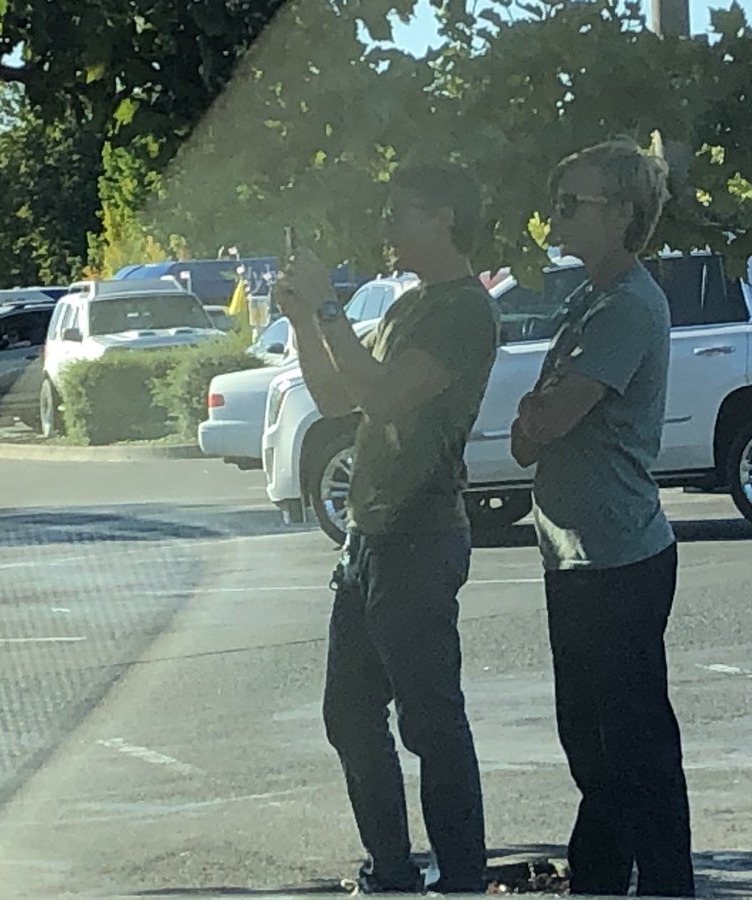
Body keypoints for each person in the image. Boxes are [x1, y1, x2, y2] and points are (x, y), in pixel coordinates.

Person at [274, 162, 499, 894]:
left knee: (430, 719)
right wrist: (306, 318)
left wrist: (330, 308)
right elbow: (339, 397)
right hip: (370, 536)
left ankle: (461, 876)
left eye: (401, 213)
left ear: (444, 218)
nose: (387, 227)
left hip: (421, 535)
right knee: (349, 714)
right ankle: (391, 872)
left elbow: (387, 398)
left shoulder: (464, 311)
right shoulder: (411, 305)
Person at [510, 138, 694, 897]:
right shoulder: (587, 298)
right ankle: (603, 876)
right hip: (577, 557)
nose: (556, 218)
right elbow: (535, 426)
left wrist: (537, 414)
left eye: (571, 205)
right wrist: (537, 415)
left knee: (632, 747)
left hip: (618, 559)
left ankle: (652, 883)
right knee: (591, 743)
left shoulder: (625, 306)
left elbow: (547, 419)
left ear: (621, 213)